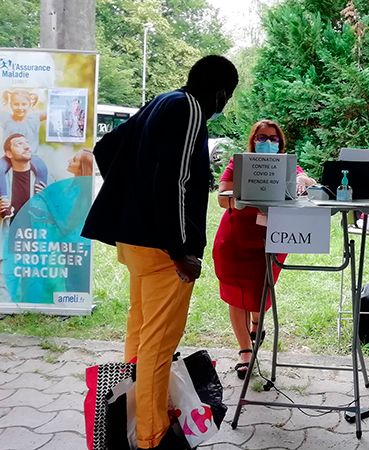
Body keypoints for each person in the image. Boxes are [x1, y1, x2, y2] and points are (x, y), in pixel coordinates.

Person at [82, 55, 238, 450]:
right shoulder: (190, 110)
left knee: (140, 332)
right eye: (228, 96)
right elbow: (177, 182)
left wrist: (130, 208)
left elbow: (107, 148)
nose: (225, 104)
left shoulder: (160, 101)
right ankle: (151, 437)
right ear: (221, 92)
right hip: (165, 253)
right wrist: (180, 249)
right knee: (158, 344)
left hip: (136, 244)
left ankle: (132, 418)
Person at [212, 119, 316, 379]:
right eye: (262, 137)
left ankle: (257, 325)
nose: (267, 143)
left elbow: (308, 185)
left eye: (273, 138)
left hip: (270, 240)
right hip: (235, 240)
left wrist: (304, 180)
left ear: (280, 143)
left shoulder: (289, 166)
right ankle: (245, 351)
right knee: (236, 293)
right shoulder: (240, 164)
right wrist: (241, 195)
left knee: (261, 291)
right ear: (253, 140)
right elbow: (221, 196)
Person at [0, 89, 49, 197]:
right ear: (10, 104)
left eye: (24, 104)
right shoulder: (6, 118)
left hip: (32, 156)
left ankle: (38, 199)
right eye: (16, 104)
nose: (20, 108)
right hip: (10, 156)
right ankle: (3, 199)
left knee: (42, 169)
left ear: (30, 104)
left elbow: (52, 112)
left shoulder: (35, 117)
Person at [2, 134, 48, 221]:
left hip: (33, 232)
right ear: (9, 154)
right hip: (7, 232)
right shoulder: (3, 178)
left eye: (27, 143)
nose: (27, 147)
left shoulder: (44, 179)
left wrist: (46, 201)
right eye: (19, 144)